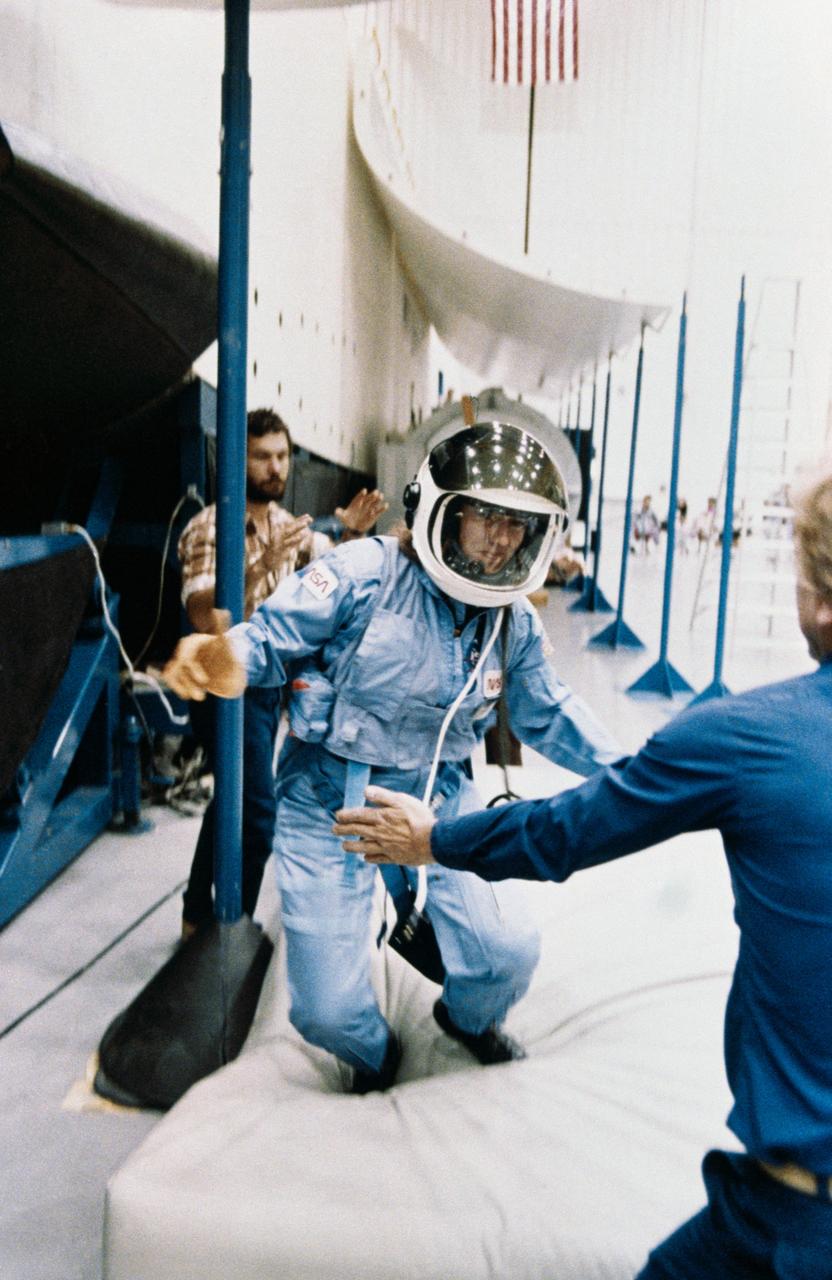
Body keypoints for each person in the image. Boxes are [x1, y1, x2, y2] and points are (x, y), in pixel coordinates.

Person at [334, 463, 832, 1277]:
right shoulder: (369, 581)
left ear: (820, 603)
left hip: (795, 1220)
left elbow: (568, 822)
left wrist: (437, 841)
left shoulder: (750, 737)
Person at [163, 418, 621, 1093]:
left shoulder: (510, 620)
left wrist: (639, 774)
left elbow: (549, 711)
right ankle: (376, 1057)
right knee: (324, 1012)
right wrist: (220, 658)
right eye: (486, 517)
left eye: (518, 524)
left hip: (436, 798)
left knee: (506, 956)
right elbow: (268, 640)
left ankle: (466, 1020)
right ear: (443, 512)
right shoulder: (362, 575)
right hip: (329, 802)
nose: (502, 539)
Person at [177, 407, 387, 939]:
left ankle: (197, 916)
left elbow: (330, 574)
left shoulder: (284, 524)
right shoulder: (208, 527)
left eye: (282, 456)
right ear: (236, 462)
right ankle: (232, 928)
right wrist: (261, 565)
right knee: (256, 813)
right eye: (262, 457)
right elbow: (202, 613)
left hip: (267, 687)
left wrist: (351, 533)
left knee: (232, 803)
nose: (276, 468)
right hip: (227, 685)